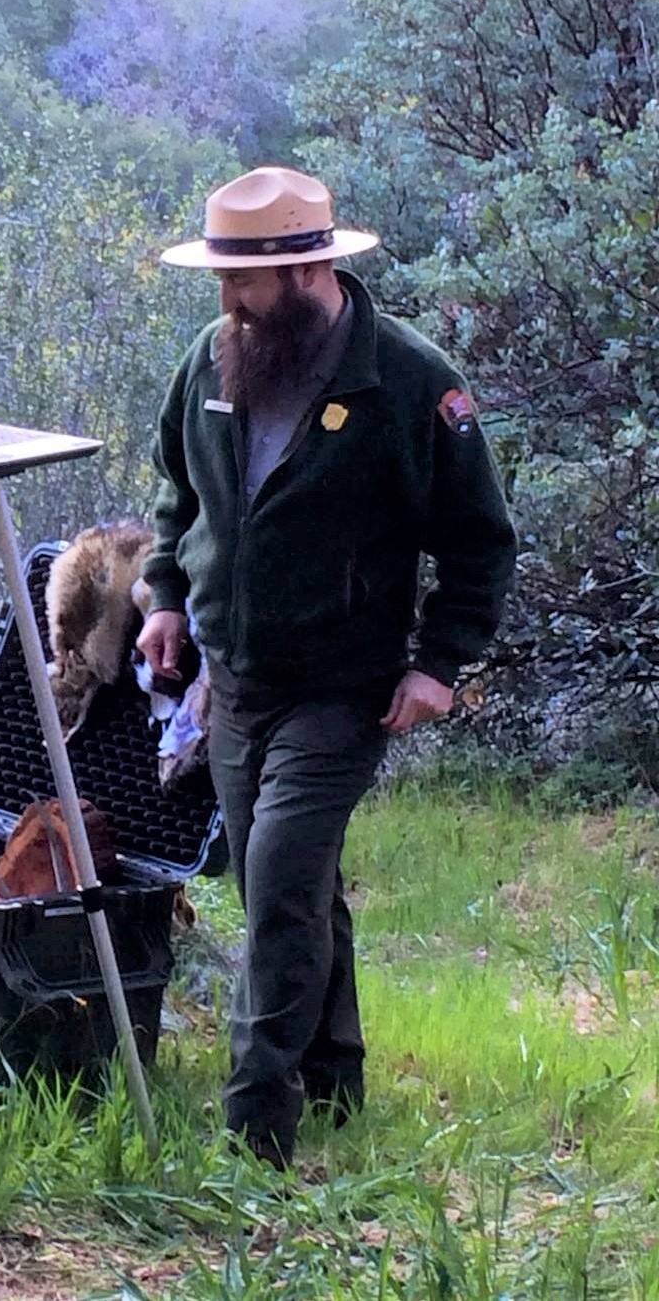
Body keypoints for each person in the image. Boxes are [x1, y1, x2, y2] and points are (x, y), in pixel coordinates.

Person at [135, 167, 515, 1168]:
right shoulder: (211, 362)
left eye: (243, 281)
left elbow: (479, 541)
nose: (226, 300)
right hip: (235, 679)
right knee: (289, 890)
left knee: (281, 886)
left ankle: (255, 1130)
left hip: (343, 686)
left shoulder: (407, 380)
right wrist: (166, 600)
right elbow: (179, 500)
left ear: (307, 272)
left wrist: (440, 665)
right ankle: (336, 1076)